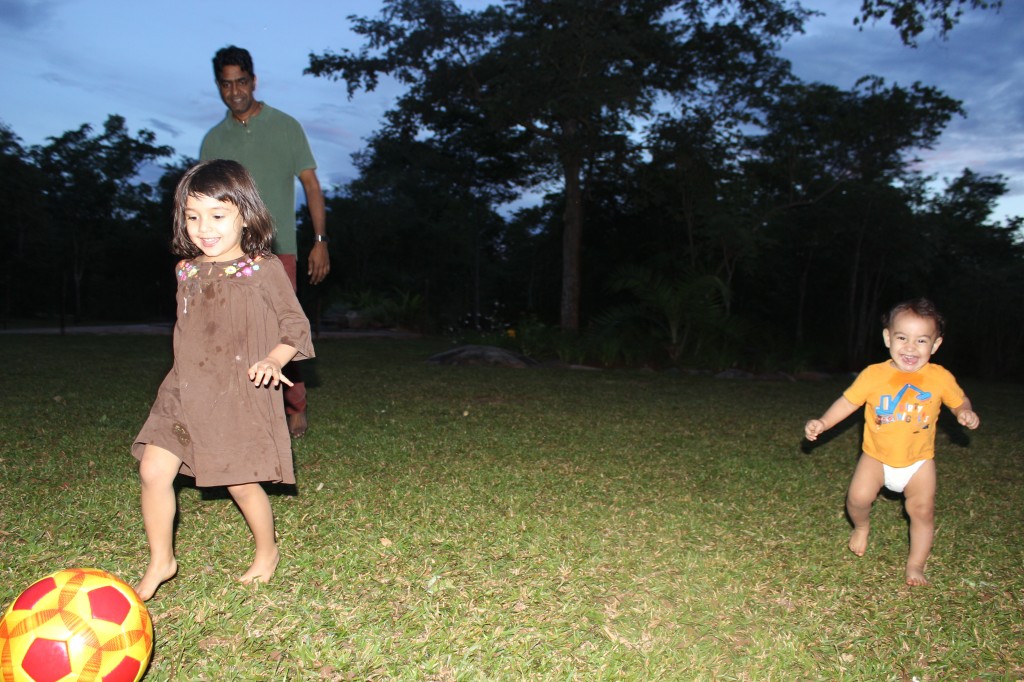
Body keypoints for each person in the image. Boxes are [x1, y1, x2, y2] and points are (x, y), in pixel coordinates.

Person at [132, 159, 314, 601]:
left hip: (235, 392)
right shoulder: (186, 271)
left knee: (239, 481)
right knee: (153, 469)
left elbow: (296, 326)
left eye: (217, 215)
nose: (203, 228)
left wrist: (274, 359)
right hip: (184, 388)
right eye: (192, 217)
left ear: (245, 214)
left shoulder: (263, 268)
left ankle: (267, 551)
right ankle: (162, 560)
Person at [804, 298, 980, 587]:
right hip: (876, 458)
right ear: (888, 338)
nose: (910, 347)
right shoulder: (874, 375)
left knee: (922, 511)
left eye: (921, 340)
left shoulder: (940, 378)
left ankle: (916, 565)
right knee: (857, 498)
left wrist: (965, 412)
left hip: (919, 461)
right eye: (902, 338)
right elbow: (847, 403)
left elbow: (960, 401)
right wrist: (822, 422)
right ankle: (861, 526)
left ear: (935, 345)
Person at [200, 45, 328, 438]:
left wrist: (320, 239)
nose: (235, 90)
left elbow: (310, 183)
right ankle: (236, 409)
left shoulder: (285, 126)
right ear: (218, 86)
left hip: (277, 248)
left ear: (253, 81)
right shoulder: (212, 140)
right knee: (228, 332)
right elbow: (204, 201)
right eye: (226, 83)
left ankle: (296, 406)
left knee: (279, 331)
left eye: (241, 81)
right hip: (227, 252)